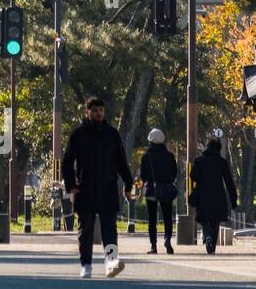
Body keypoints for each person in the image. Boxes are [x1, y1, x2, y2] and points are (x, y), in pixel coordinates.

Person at [61, 96, 135, 279]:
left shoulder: (112, 134)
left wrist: (128, 183)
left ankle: (111, 264)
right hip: (84, 188)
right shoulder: (78, 134)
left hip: (108, 188)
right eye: (94, 110)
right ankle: (86, 265)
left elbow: (121, 162)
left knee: (110, 229)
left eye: (101, 110)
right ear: (87, 112)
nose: (98, 113)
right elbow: (67, 162)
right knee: (85, 230)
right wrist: (71, 185)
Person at [189, 136, 238, 254]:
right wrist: (233, 198)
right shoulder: (222, 162)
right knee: (215, 221)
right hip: (218, 195)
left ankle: (207, 236)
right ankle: (212, 248)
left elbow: (193, 176)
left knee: (205, 220)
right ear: (218, 149)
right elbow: (229, 181)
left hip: (203, 194)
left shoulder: (199, 161)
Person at [139, 128, 177, 255]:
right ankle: (168, 240)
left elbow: (143, 176)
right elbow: (174, 173)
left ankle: (153, 246)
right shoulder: (170, 156)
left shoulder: (146, 156)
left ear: (150, 141)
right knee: (167, 217)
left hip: (151, 191)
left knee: (152, 219)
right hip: (166, 189)